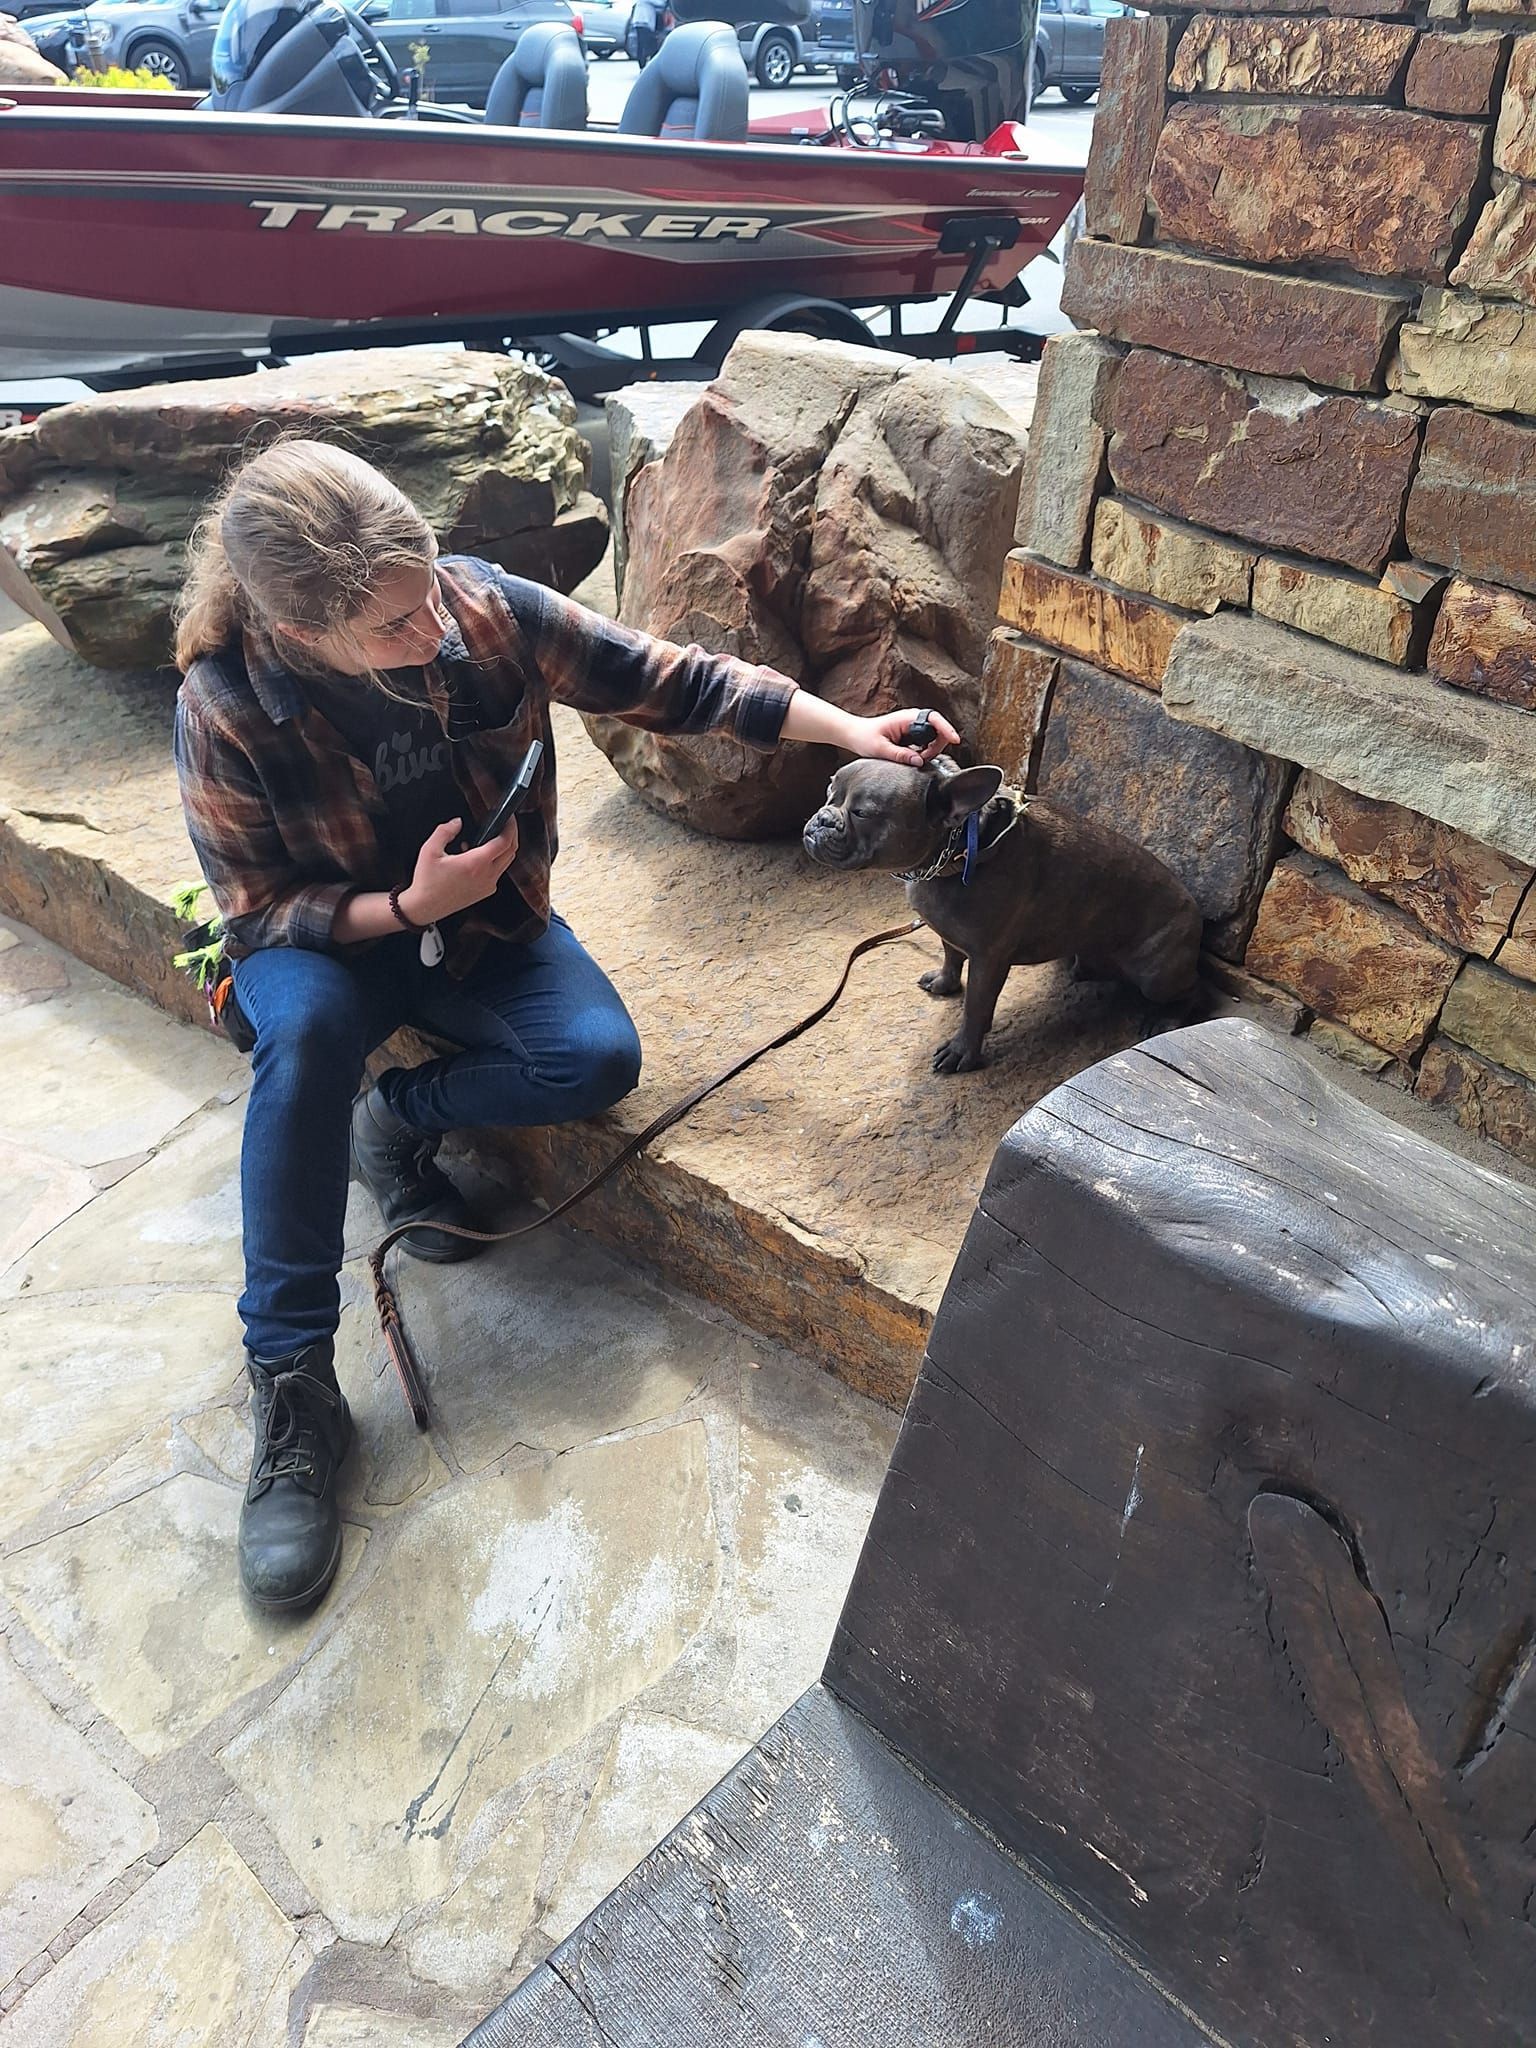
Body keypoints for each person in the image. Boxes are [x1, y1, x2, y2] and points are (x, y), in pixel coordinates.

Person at [173, 437, 957, 1615]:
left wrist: (851, 731)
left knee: (594, 1057)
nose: (431, 625)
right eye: (390, 624)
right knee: (304, 1046)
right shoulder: (226, 702)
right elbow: (255, 907)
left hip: (486, 930)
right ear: (303, 630)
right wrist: (401, 905)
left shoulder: (482, 609)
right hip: (330, 949)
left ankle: (398, 1122)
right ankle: (293, 1389)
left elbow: (675, 678)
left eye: (429, 580)